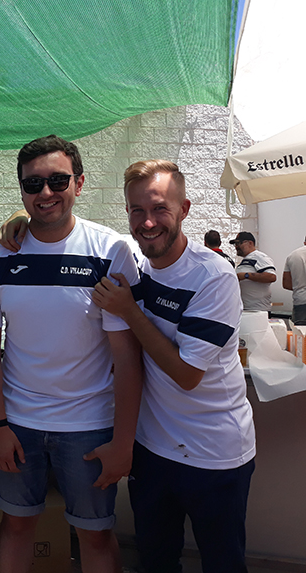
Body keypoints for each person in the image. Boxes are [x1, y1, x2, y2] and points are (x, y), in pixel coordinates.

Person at [0, 135, 142, 573]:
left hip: (90, 425)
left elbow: (126, 356)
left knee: (96, 534)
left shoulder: (111, 251)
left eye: (58, 181)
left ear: (79, 183)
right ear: (21, 190)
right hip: (18, 423)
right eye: (33, 184)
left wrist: (123, 442)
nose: (45, 192)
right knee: (15, 526)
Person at [92, 160, 255, 573]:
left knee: (223, 564)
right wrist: (18, 223)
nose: (148, 222)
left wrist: (130, 311)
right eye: (137, 211)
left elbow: (186, 375)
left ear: (184, 209)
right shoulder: (137, 262)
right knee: (155, 562)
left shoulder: (213, 276)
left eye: (159, 209)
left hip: (213, 455)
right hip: (152, 450)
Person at [230, 231, 276, 312]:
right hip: (247, 309)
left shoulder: (259, 257)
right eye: (235, 244)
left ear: (250, 243)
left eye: (239, 243)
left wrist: (245, 275)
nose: (236, 247)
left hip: (258, 310)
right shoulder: (247, 259)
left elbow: (271, 276)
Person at [283, 235, 306, 325]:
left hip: (301, 300)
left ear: (304, 242)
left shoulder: (293, 255)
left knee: (300, 331)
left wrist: (299, 286)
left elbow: (286, 284)